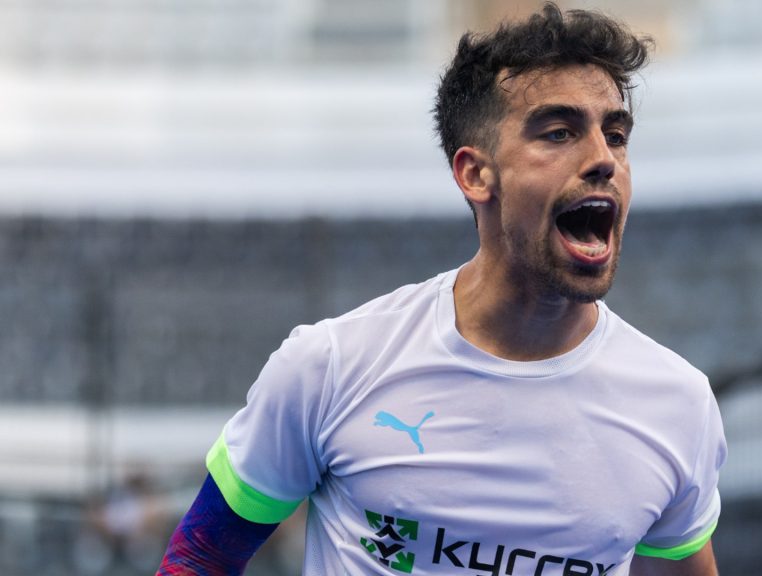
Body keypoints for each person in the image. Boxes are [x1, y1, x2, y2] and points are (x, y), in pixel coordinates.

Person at [157, 4, 726, 575]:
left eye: (616, 135)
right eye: (559, 133)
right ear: (475, 174)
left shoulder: (677, 404)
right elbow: (200, 557)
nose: (603, 159)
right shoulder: (331, 367)